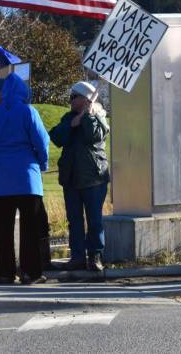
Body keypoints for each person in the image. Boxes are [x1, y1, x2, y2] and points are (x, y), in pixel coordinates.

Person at [0, 73, 50, 284]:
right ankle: (31, 272)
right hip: (27, 178)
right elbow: (41, 141)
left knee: (2, 229)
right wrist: (42, 164)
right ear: (22, 92)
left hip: (0, 179)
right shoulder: (28, 111)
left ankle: (4, 272)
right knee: (30, 228)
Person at [48, 81, 110, 272]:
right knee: (74, 220)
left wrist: (88, 116)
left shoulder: (99, 118)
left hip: (94, 179)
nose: (70, 101)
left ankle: (95, 256)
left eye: (73, 97)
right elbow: (57, 137)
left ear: (85, 99)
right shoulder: (69, 118)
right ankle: (77, 257)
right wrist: (72, 125)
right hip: (72, 179)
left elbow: (94, 136)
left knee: (94, 220)